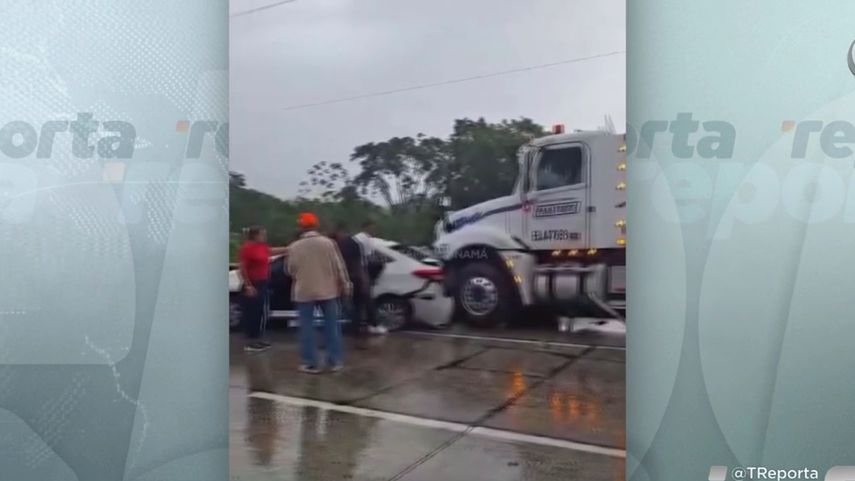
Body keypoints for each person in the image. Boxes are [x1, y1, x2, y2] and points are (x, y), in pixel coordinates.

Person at [287, 212, 352, 373]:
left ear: (301, 227)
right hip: (328, 291)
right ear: (316, 225)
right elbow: (339, 266)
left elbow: (290, 270)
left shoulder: (294, 247)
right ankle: (334, 361)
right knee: (332, 326)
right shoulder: (328, 243)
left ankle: (310, 363)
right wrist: (345, 284)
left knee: (306, 328)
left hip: (304, 292)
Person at [238, 226, 288, 352]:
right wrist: (248, 285)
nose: (264, 236)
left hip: (263, 281)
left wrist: (289, 249)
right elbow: (243, 268)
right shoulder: (247, 248)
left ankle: (257, 338)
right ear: (255, 235)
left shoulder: (262, 247)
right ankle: (254, 340)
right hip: (254, 282)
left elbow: (272, 251)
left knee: (260, 311)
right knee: (255, 312)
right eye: (262, 234)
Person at [329, 222, 370, 336]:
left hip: (341, 278)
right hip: (355, 277)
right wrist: (363, 279)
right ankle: (356, 330)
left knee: (343, 306)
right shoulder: (354, 243)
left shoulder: (334, 244)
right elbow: (360, 263)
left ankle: (345, 329)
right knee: (355, 305)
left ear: (338, 231)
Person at [352, 219, 387, 335]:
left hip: (354, 274)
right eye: (372, 228)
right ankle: (373, 325)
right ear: (367, 227)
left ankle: (357, 326)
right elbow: (367, 260)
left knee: (357, 302)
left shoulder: (356, 238)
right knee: (368, 301)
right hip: (362, 274)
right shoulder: (366, 240)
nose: (374, 230)